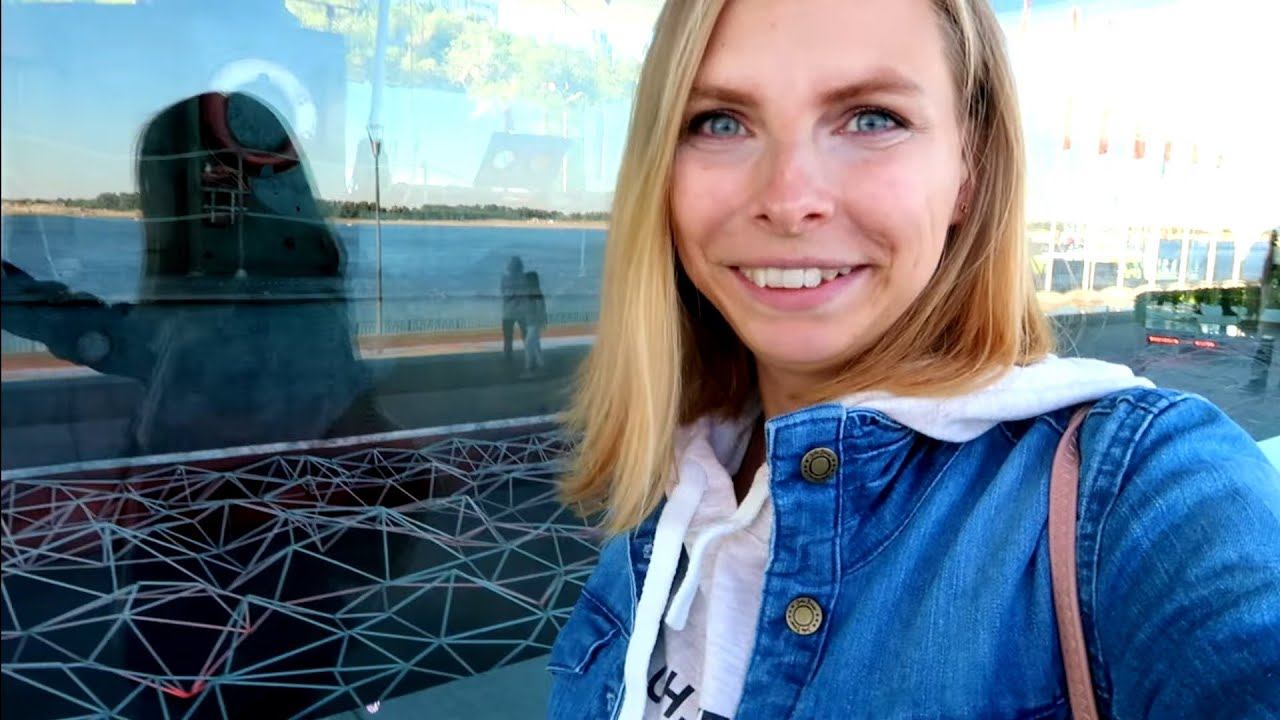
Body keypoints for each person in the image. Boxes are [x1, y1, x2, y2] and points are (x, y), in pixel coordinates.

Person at [550, 1, 1280, 719]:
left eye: (872, 118)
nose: (788, 199)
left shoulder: (1135, 486)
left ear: (969, 170)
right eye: (718, 122)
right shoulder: (682, 468)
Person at [1, 92, 387, 457]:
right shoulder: (319, 312)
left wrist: (23, 302)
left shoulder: (198, 328)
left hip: (189, 486)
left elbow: (114, 337)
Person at [501, 255, 529, 364]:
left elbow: (503, 293)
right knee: (525, 335)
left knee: (508, 338)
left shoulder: (505, 278)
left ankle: (508, 359)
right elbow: (527, 294)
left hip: (509, 312)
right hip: (521, 311)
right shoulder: (524, 278)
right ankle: (529, 356)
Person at [522, 269, 547, 377]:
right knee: (536, 345)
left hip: (534, 323)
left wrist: (541, 321)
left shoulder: (536, 291)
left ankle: (529, 368)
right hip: (530, 322)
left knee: (528, 344)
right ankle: (541, 366)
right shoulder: (530, 291)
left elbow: (540, 308)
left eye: (526, 280)